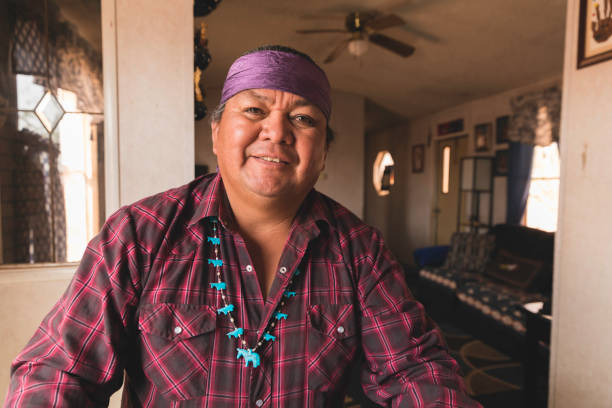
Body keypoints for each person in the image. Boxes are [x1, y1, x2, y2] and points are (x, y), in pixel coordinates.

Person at [5, 45, 481, 408]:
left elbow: (417, 370)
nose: (276, 131)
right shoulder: (138, 234)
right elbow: (59, 370)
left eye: (303, 118)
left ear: (323, 151)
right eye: (254, 111)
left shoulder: (359, 250)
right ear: (216, 132)